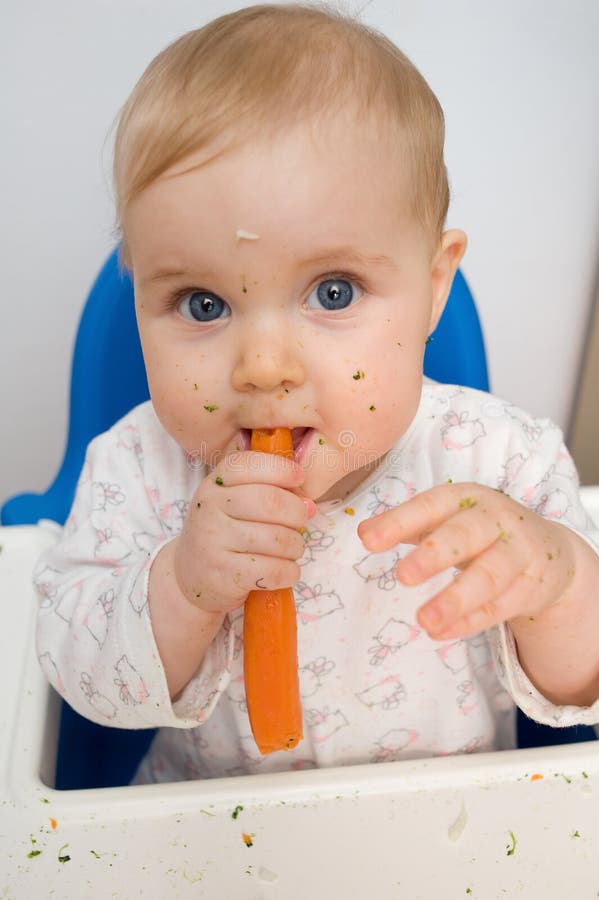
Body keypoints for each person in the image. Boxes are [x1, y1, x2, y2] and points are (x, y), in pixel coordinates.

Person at [34, 3, 599, 784]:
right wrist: (181, 586)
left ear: (433, 287)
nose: (264, 367)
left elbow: (580, 691)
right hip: (205, 846)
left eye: (333, 292)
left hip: (448, 843)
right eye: (203, 303)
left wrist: (559, 588)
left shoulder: (502, 462)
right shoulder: (137, 470)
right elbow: (80, 685)